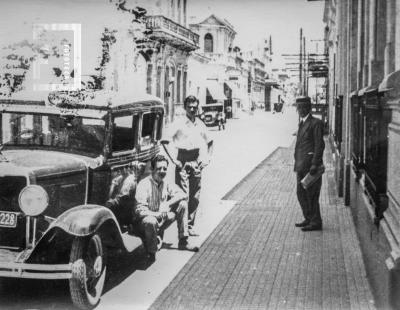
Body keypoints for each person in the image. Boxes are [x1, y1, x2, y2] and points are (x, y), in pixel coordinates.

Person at [162, 95, 212, 237]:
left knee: (195, 196)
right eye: (189, 107)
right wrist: (173, 160)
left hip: (196, 161)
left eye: (194, 107)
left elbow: (210, 142)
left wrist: (207, 159)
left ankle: (190, 225)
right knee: (183, 196)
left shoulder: (200, 124)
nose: (192, 110)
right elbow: (165, 141)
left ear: (197, 108)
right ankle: (182, 229)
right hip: (182, 160)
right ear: (185, 108)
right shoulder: (178, 123)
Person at [135, 154, 199, 261]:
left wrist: (168, 204)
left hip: (162, 218)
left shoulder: (166, 182)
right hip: (146, 221)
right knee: (150, 221)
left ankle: (183, 242)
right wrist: (157, 214)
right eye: (159, 168)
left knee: (182, 203)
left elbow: (183, 194)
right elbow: (139, 211)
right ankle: (151, 253)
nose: (162, 171)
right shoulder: (144, 184)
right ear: (152, 169)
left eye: (165, 168)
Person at [294, 96, 325, 231]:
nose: (301, 110)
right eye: (299, 108)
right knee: (301, 193)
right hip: (301, 165)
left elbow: (320, 145)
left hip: (310, 167)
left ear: (309, 108)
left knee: (312, 195)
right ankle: (308, 218)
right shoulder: (301, 123)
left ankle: (315, 222)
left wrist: (314, 164)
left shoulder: (315, 123)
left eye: (303, 107)